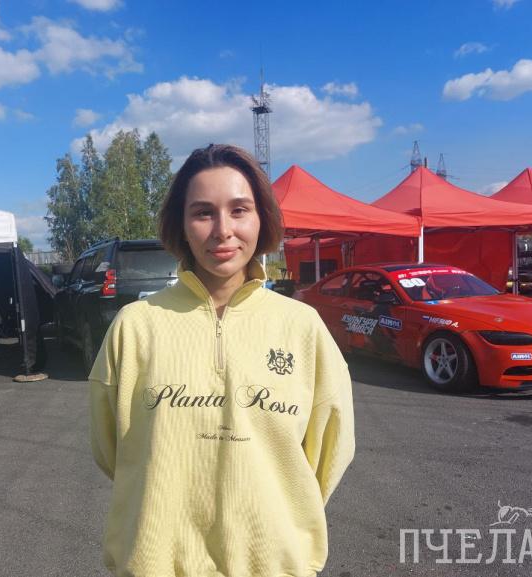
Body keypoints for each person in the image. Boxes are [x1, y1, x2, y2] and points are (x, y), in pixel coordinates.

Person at [89, 144, 355, 577]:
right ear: (181, 224)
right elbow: (111, 451)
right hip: (157, 563)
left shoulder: (302, 327)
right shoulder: (135, 326)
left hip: (272, 565)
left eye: (239, 210)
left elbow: (330, 451)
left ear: (261, 218)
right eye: (203, 213)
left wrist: (279, 516)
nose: (223, 230)